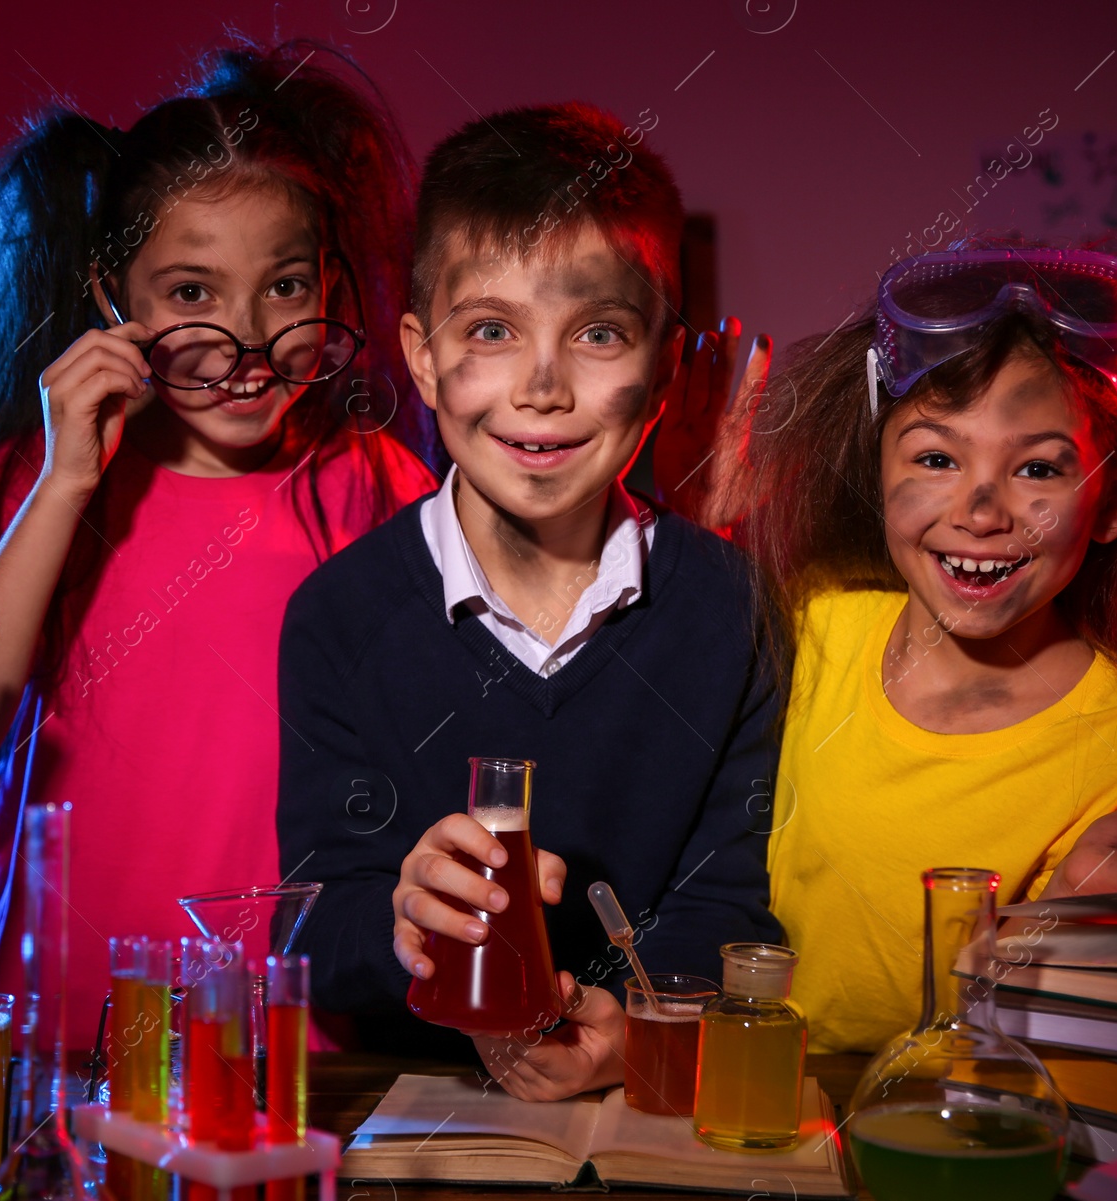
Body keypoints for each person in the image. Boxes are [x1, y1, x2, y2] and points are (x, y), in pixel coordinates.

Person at [0, 38, 436, 1051]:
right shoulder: (36, 483)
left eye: (286, 287)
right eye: (192, 294)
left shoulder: (385, 488)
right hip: (70, 1028)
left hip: (304, 1035)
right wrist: (65, 480)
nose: (247, 340)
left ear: (334, 284)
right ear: (111, 294)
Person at [709, 243, 1117, 1053]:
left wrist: (1066, 921)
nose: (980, 511)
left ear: (1113, 500)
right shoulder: (815, 626)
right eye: (937, 457)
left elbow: (1092, 1051)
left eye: (1038, 468)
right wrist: (694, 550)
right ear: (878, 469)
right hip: (753, 1103)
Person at [277, 102, 781, 1099]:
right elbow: (312, 923)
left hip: (648, 1105)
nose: (541, 387)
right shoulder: (338, 614)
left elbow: (733, 897)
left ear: (667, 366)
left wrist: (631, 1024)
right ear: (421, 356)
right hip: (409, 1111)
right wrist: (401, 917)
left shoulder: (737, 611)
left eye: (597, 333)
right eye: (492, 331)